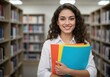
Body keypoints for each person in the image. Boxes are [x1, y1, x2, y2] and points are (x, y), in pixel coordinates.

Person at [37, 3, 97, 77]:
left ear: (76, 21)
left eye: (71, 19)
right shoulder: (48, 44)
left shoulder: (84, 44)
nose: (67, 23)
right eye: (62, 19)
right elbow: (41, 72)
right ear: (57, 22)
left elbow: (93, 72)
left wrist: (68, 71)